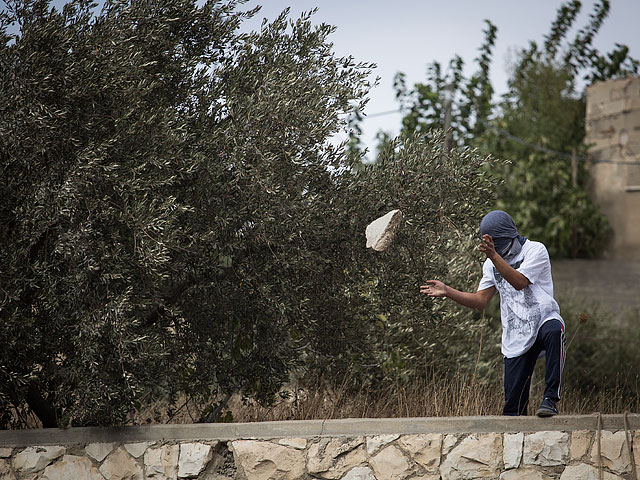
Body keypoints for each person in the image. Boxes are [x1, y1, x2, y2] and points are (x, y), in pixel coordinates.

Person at [419, 210, 565, 417]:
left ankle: (550, 399)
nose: (501, 251)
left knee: (554, 330)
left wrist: (494, 256)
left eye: (500, 245)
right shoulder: (490, 264)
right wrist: (447, 291)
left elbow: (520, 282)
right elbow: (480, 301)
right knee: (513, 410)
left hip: (542, 319)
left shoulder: (535, 250)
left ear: (510, 236)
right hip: (516, 335)